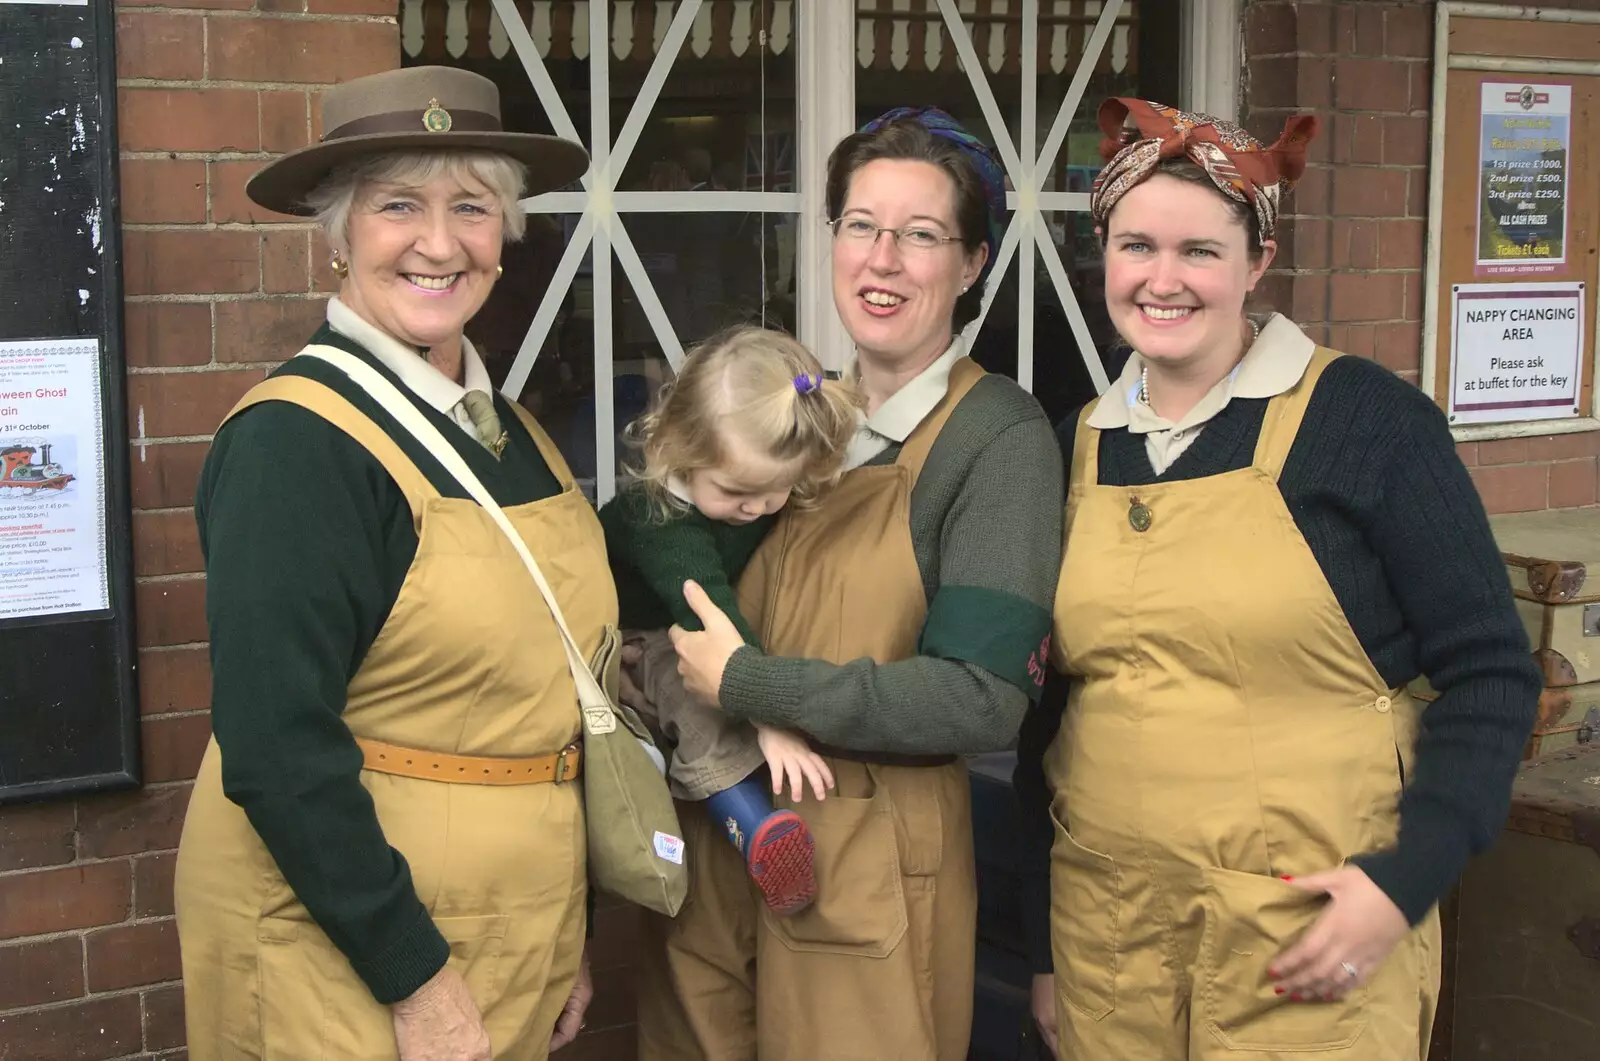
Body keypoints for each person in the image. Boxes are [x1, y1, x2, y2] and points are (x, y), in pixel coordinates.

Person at [1014, 98, 1541, 1060]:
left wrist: (1405, 878)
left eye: (1199, 253)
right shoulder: (1075, 447)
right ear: (1104, 259)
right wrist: (1045, 943)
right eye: (1136, 247)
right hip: (1113, 941)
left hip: (1308, 944)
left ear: (1257, 262)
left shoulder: (1369, 425)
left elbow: (1493, 670)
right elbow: (1051, 714)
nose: (1162, 280)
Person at [173, 66, 606, 1061]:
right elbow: (277, 747)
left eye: (472, 206)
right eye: (398, 205)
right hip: (347, 952)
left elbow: (539, 704)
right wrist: (414, 977)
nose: (439, 241)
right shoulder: (298, 445)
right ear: (338, 235)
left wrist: (555, 927)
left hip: (500, 934)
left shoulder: (515, 435)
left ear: (504, 235)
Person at [634, 107, 1065, 1060]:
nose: (883, 259)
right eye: (861, 225)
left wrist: (746, 682)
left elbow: (981, 697)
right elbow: (659, 543)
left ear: (973, 262)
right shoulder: (787, 418)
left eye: (921, 236)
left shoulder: (997, 441)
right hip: (719, 851)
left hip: (870, 870)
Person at [598, 326, 860, 917]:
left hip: (697, 625)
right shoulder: (661, 520)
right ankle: (755, 829)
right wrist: (768, 719)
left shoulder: (760, 487)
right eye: (738, 492)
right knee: (694, 703)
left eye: (778, 490)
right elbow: (708, 615)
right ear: (677, 450)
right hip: (647, 629)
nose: (757, 509)